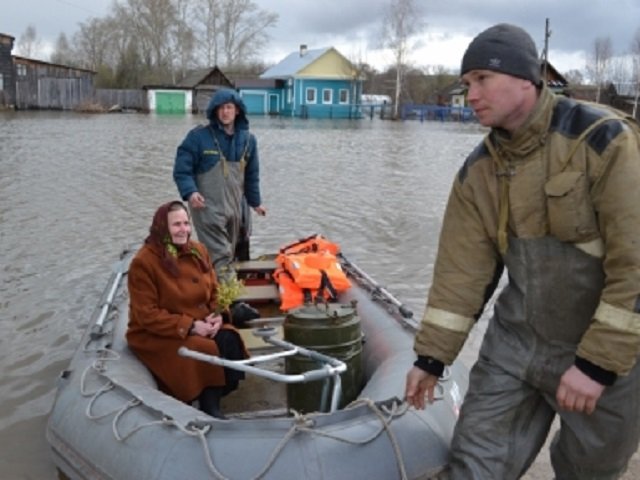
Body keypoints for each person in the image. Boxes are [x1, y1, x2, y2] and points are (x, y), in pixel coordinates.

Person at [405, 23, 640, 479]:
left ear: (524, 78)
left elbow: (635, 263)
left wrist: (596, 365)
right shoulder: (477, 173)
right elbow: (459, 279)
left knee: (589, 472)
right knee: (472, 466)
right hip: (516, 348)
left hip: (605, 352)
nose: (470, 94)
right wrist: (430, 359)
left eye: (481, 79)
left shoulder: (604, 141)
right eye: (466, 83)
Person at [126, 200, 248, 418]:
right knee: (203, 348)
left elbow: (214, 290)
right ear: (162, 227)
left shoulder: (198, 250)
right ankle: (209, 408)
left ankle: (216, 397)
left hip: (200, 322)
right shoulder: (144, 262)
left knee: (229, 339)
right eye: (176, 225)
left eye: (186, 223)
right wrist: (190, 326)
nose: (184, 230)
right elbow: (147, 314)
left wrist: (217, 315)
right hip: (160, 332)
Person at [173, 88, 266, 282]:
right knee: (220, 253)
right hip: (206, 207)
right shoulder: (198, 137)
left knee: (229, 253)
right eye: (221, 108)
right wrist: (190, 192)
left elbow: (251, 175)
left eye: (229, 107)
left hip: (234, 208)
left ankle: (211, 287)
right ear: (215, 111)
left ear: (237, 110)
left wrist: (255, 202)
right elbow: (182, 170)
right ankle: (232, 302)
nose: (225, 112)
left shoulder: (249, 141)